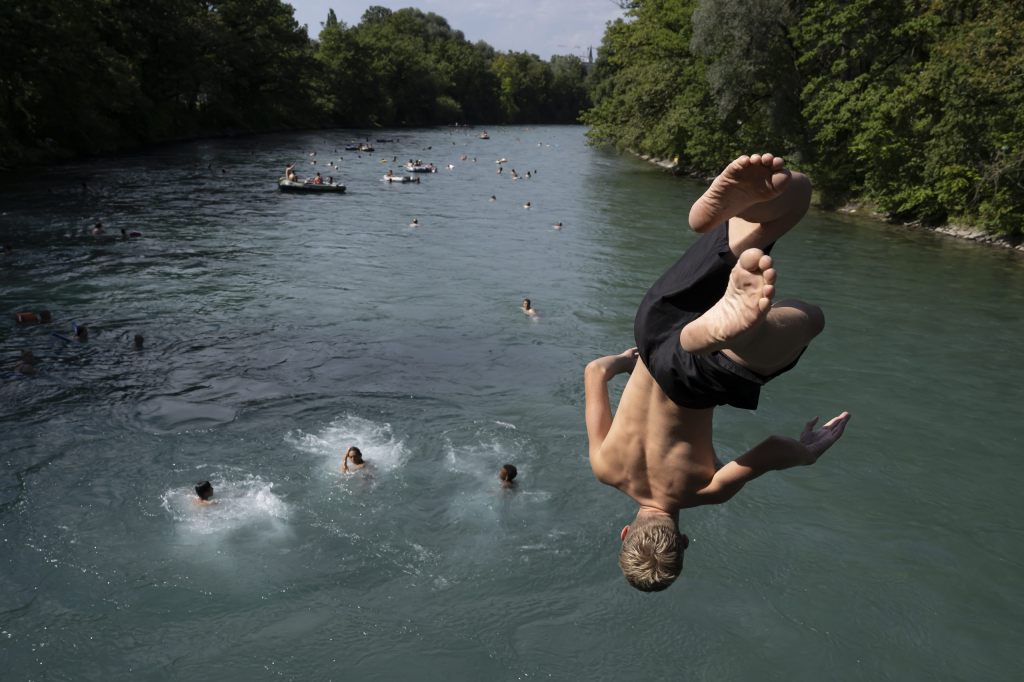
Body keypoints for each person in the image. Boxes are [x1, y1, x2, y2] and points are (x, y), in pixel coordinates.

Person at [585, 153, 851, 593]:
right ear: (626, 533)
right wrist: (627, 362)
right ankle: (734, 216)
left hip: (701, 375)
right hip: (653, 333)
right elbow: (594, 372)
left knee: (810, 318)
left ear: (683, 541)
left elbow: (769, 450)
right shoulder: (603, 466)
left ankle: (741, 336)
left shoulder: (705, 490)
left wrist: (808, 452)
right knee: (792, 194)